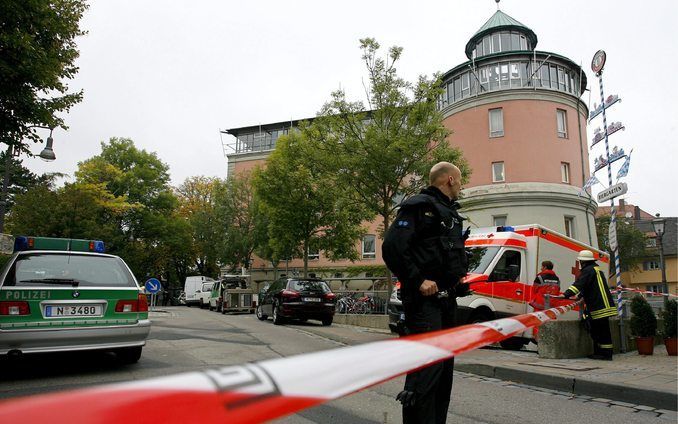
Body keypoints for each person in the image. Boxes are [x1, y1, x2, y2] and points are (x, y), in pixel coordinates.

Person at [382, 161, 470, 424]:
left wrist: (457, 281)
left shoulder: (450, 213)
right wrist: (418, 280)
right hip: (423, 304)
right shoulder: (418, 207)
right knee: (426, 372)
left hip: (446, 302)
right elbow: (392, 248)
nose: (462, 185)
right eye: (461, 180)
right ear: (450, 180)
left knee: (443, 372)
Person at [562, 250, 616, 360]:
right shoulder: (595, 269)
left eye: (581, 261)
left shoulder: (588, 270)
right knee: (601, 330)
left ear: (583, 261)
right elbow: (589, 286)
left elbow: (580, 284)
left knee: (600, 330)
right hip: (602, 304)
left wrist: (566, 294)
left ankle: (604, 354)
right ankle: (604, 353)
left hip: (599, 305)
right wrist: (581, 295)